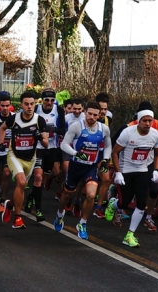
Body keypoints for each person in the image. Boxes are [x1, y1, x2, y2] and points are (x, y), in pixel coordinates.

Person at [54, 101, 111, 240]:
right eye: (90, 113)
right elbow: (64, 145)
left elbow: (108, 146)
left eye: (95, 115)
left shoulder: (104, 129)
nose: (92, 117)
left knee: (91, 195)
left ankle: (82, 223)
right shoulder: (77, 126)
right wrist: (76, 153)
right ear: (85, 112)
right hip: (75, 166)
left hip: (90, 167)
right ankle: (59, 214)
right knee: (67, 194)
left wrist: (105, 160)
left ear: (99, 116)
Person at [106, 108, 158, 247]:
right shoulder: (128, 133)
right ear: (139, 121)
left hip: (143, 171)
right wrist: (118, 172)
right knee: (124, 202)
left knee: (141, 203)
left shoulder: (155, 135)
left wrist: (155, 170)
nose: (148, 123)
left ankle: (129, 235)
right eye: (145, 121)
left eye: (150, 121)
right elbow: (115, 152)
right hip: (126, 170)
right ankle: (114, 203)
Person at [0, 91, 48, 229]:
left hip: (30, 159)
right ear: (21, 105)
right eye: (26, 104)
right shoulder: (14, 119)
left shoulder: (39, 120)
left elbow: (46, 144)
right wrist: (2, 142)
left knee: (21, 186)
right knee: (21, 182)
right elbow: (2, 128)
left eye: (32, 104)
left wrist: (39, 137)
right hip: (14, 155)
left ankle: (10, 204)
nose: (29, 107)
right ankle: (18, 218)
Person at [28, 88, 65, 221]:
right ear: (42, 100)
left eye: (52, 100)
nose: (49, 102)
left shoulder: (58, 110)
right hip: (38, 148)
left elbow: (63, 130)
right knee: (38, 177)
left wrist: (52, 129)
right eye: (46, 100)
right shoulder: (36, 109)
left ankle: (32, 196)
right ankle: (38, 210)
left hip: (52, 148)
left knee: (46, 177)